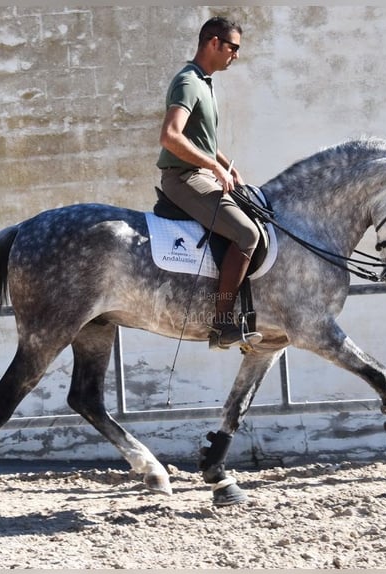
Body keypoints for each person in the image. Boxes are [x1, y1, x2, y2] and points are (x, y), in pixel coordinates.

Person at [157, 16, 262, 350]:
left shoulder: (204, 82)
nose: (236, 55)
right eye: (233, 48)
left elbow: (202, 140)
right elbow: (171, 136)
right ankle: (220, 326)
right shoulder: (188, 81)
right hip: (184, 178)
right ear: (213, 43)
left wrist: (227, 165)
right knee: (247, 234)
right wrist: (212, 168)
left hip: (200, 172)